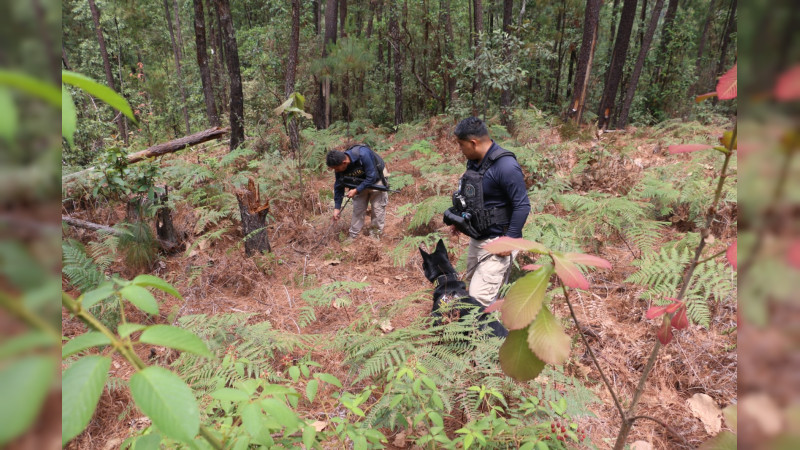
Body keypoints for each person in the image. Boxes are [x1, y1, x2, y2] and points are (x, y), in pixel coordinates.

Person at [443, 117, 531, 307]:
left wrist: (510, 239)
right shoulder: (476, 162)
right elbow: (476, 197)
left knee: (478, 301)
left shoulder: (505, 166)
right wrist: (461, 221)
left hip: (498, 241)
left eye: (461, 145)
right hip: (478, 238)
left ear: (473, 143)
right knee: (473, 293)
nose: (460, 149)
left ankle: (488, 336)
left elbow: (522, 205)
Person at [326, 144, 389, 240]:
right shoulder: (338, 168)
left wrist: (356, 190)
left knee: (377, 208)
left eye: (337, 169)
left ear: (344, 162)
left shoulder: (363, 154)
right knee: (358, 208)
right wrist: (337, 208)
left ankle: (375, 235)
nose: (337, 171)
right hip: (358, 182)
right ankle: (353, 236)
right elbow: (339, 186)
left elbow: (371, 177)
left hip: (377, 178)